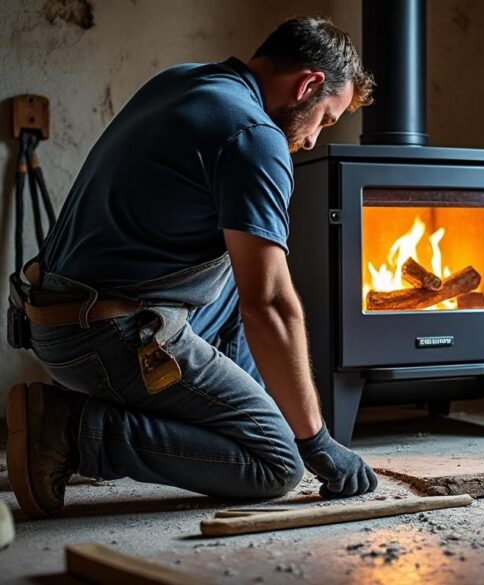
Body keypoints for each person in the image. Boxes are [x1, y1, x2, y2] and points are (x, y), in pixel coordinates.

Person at [5, 16, 378, 519]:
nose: (313, 139)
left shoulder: (183, 80)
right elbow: (268, 304)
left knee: (234, 280)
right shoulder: (254, 136)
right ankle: (73, 431)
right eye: (325, 119)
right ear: (309, 84)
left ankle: (239, 422)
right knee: (276, 463)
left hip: (58, 311)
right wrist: (315, 440)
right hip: (105, 334)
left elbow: (248, 289)